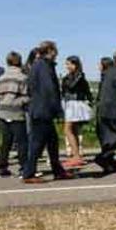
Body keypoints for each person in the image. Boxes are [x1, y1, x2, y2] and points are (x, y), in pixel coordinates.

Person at [22, 41, 73, 183]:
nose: (57, 53)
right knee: (37, 143)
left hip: (40, 108)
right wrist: (58, 110)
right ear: (50, 50)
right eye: (55, 50)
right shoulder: (43, 66)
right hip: (43, 110)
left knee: (52, 142)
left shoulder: (39, 65)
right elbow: (49, 89)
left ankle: (58, 171)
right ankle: (28, 173)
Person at [0, 51, 30, 178]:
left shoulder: (2, 77)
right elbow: (26, 96)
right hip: (16, 112)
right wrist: (22, 102)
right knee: (21, 142)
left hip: (3, 111)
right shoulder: (22, 77)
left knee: (6, 141)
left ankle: (1, 167)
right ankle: (24, 167)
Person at [60, 56, 93, 169]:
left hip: (75, 104)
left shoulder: (79, 77)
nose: (67, 66)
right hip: (70, 103)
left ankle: (76, 156)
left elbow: (71, 86)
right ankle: (76, 155)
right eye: (67, 64)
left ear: (75, 65)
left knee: (68, 130)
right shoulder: (71, 77)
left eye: (69, 64)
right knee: (72, 130)